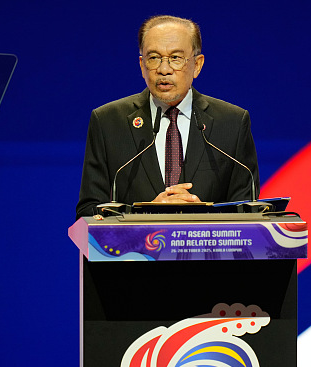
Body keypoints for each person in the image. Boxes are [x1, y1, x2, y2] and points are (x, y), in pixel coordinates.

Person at [76, 15, 260, 218]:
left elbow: (247, 213)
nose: (164, 70)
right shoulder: (108, 122)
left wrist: (206, 217)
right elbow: (88, 211)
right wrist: (145, 214)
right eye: (154, 58)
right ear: (142, 65)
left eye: (175, 58)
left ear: (197, 65)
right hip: (136, 250)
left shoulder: (232, 123)